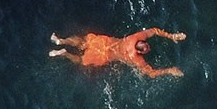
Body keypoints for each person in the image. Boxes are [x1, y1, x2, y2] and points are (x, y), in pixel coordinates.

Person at [49, 30, 185, 78]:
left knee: (83, 42)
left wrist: (171, 35)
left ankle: (61, 41)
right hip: (105, 56)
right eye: (146, 48)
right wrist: (169, 70)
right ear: (138, 52)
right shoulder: (135, 58)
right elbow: (151, 73)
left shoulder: (134, 37)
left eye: (146, 45)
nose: (148, 46)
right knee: (81, 60)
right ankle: (65, 53)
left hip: (104, 42)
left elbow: (154, 30)